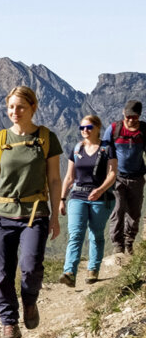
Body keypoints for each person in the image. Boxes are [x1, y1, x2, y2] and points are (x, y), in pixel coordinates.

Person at [0, 85, 62, 338]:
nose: (15, 112)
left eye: (20, 107)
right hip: (1, 214)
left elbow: (55, 180)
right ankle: (9, 323)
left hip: (35, 213)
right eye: (11, 107)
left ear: (33, 107)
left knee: (31, 267)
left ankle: (30, 302)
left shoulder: (46, 139)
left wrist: (55, 216)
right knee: (2, 272)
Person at [58, 115, 117, 286]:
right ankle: (69, 272)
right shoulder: (77, 149)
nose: (85, 130)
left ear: (98, 128)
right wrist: (62, 199)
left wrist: (100, 190)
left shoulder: (107, 149)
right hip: (77, 197)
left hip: (101, 198)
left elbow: (112, 173)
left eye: (89, 127)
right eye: (82, 128)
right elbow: (69, 177)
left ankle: (93, 269)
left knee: (96, 234)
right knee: (76, 234)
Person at [102, 99, 146, 257]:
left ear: (139, 116)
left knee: (134, 213)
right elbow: (104, 150)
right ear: (123, 113)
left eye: (134, 117)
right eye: (128, 116)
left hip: (137, 178)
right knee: (118, 209)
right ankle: (118, 245)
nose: (130, 119)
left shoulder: (144, 130)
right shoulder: (114, 129)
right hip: (117, 177)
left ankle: (129, 242)